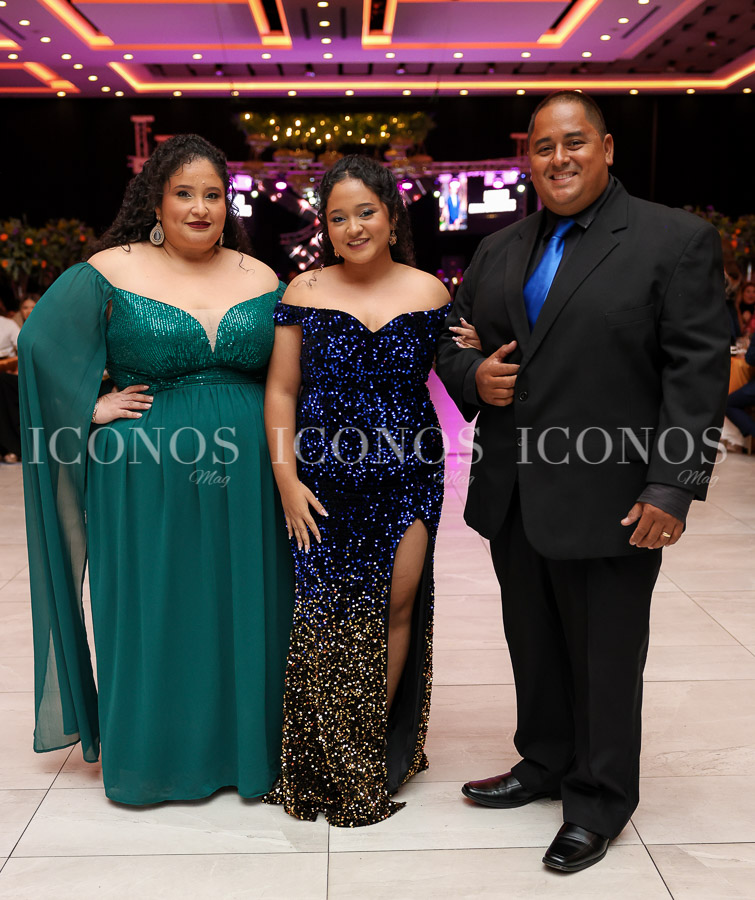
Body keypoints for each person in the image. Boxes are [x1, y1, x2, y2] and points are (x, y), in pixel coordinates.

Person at [436, 91, 730, 872]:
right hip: (513, 491)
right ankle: (543, 760)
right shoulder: (499, 249)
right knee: (532, 642)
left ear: (605, 148)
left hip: (614, 494)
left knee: (604, 654)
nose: (557, 158)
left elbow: (696, 374)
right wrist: (473, 377)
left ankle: (597, 799)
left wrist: (672, 485)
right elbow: (453, 338)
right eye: (542, 146)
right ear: (526, 158)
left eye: (573, 142)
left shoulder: (673, 240)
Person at [19, 134, 294, 805]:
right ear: (156, 201)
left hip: (251, 474)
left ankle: (245, 752)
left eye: (213, 195)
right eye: (184, 194)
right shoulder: (108, 270)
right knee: (160, 608)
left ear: (227, 204)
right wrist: (89, 407)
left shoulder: (262, 277)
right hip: (144, 472)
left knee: (245, 608)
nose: (200, 208)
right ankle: (158, 758)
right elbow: (37, 348)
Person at [262, 155, 451, 826]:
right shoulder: (304, 290)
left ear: (392, 218)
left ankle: (365, 750)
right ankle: (324, 756)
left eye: (365, 212)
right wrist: (286, 479)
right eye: (337, 217)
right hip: (321, 480)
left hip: (410, 474)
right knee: (324, 616)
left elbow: (463, 365)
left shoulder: (430, 292)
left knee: (396, 606)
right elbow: (281, 388)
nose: (353, 227)